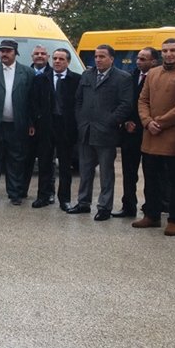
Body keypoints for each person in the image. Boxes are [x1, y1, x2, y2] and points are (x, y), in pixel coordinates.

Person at [132, 38, 175, 235]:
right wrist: (147, 121)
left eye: (173, 50)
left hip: (174, 136)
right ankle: (152, 215)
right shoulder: (153, 73)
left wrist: (160, 122)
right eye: (165, 50)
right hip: (150, 135)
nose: (169, 54)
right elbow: (142, 100)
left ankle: (174, 220)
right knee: (151, 178)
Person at [67, 44, 132, 220]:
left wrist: (110, 121)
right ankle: (83, 203)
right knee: (85, 170)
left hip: (107, 133)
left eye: (102, 56)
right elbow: (78, 100)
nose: (98, 60)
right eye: (96, 56)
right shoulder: (87, 75)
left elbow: (125, 105)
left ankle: (104, 207)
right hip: (86, 131)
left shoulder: (122, 78)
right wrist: (81, 120)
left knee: (106, 172)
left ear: (111, 58)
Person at [0, 39, 35, 205]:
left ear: (15, 53)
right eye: (2, 51)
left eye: (8, 51)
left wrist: (31, 123)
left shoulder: (27, 72)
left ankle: (15, 194)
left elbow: (31, 101)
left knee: (16, 161)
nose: (4, 54)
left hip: (17, 125)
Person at [115, 47, 159, 217]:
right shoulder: (130, 77)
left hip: (151, 132)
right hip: (130, 132)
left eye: (143, 59)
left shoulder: (159, 77)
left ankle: (151, 207)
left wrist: (144, 124)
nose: (138, 61)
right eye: (138, 58)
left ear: (153, 61)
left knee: (151, 173)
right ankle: (128, 206)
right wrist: (125, 121)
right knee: (129, 172)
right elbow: (124, 101)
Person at [46, 48, 81, 211]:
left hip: (67, 127)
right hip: (48, 125)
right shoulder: (43, 78)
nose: (57, 61)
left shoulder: (77, 79)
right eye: (55, 58)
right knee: (46, 162)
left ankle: (64, 199)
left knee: (65, 166)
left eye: (61, 59)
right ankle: (46, 195)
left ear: (68, 61)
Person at [24, 45, 56, 205]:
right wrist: (30, 122)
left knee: (46, 162)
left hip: (48, 127)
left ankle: (46, 194)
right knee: (25, 160)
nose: (40, 56)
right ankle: (21, 191)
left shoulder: (52, 75)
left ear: (47, 57)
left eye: (43, 53)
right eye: (36, 53)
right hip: (27, 125)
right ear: (32, 57)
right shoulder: (25, 74)